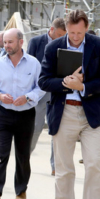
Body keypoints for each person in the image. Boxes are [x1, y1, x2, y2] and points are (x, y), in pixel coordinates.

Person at [38, 9, 100, 199]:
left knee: (94, 164)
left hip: (91, 115)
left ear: (86, 28)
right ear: (67, 29)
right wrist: (64, 83)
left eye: (79, 33)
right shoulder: (53, 47)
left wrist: (82, 86)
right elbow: (43, 81)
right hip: (64, 113)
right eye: (71, 33)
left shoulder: (98, 45)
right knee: (64, 168)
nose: (75, 37)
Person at [0, 28, 45, 199]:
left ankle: (21, 191)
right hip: (3, 114)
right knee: (0, 153)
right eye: (4, 42)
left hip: (25, 115)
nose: (6, 45)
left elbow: (41, 87)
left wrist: (28, 97)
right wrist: (1, 96)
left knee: (22, 155)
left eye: (10, 42)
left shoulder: (34, 64)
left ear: (20, 42)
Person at [27, 17, 66, 176]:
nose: (61, 38)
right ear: (51, 30)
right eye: (59, 35)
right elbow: (28, 65)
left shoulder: (65, 44)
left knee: (56, 129)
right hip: (39, 91)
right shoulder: (36, 42)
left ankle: (55, 165)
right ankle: (25, 157)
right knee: (35, 127)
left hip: (56, 91)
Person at [78, 29, 100, 164]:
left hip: (95, 97)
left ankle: (97, 153)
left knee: (96, 126)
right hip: (74, 100)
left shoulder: (99, 49)